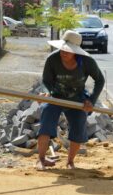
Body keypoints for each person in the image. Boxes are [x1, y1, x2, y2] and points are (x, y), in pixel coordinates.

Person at [37, 30, 105, 170]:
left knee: (79, 121)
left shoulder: (87, 62)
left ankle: (70, 162)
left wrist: (91, 100)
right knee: (46, 116)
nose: (63, 52)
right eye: (62, 49)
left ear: (76, 52)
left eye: (68, 50)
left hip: (77, 98)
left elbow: (100, 80)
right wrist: (47, 92)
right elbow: (46, 80)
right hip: (56, 96)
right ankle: (41, 159)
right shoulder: (52, 60)